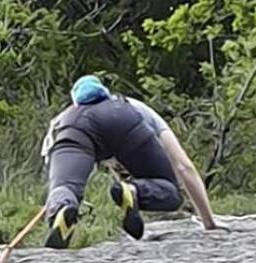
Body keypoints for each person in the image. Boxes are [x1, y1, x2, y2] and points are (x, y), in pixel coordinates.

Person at [41, 74, 219, 248]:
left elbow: (54, 168)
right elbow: (183, 166)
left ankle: (62, 206)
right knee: (169, 191)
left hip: (74, 129)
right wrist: (209, 223)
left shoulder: (62, 119)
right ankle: (134, 190)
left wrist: (60, 194)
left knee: (64, 188)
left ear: (75, 101)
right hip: (125, 120)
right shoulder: (134, 106)